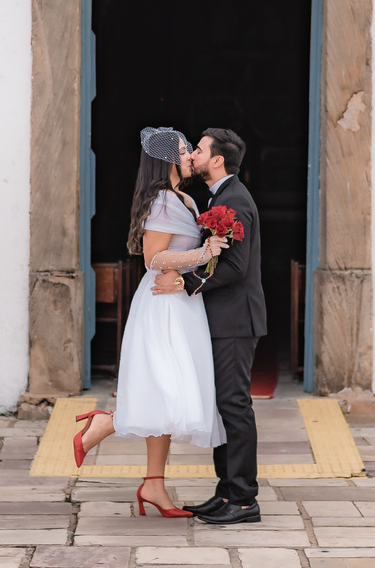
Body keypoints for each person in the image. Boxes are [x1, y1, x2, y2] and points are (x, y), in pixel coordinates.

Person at [73, 126, 229, 518]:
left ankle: (153, 485)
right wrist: (202, 253)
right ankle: (106, 423)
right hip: (163, 306)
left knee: (169, 397)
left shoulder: (183, 199)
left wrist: (202, 257)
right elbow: (152, 258)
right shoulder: (163, 201)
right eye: (183, 148)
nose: (191, 152)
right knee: (167, 390)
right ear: (166, 159)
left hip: (180, 301)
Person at [152, 127, 266, 525]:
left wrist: (187, 281)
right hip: (221, 319)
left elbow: (234, 267)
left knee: (234, 405)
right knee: (222, 406)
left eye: (198, 150)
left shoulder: (234, 201)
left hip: (235, 320)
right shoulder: (220, 197)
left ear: (217, 160)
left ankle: (245, 499)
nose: (192, 154)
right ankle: (226, 492)